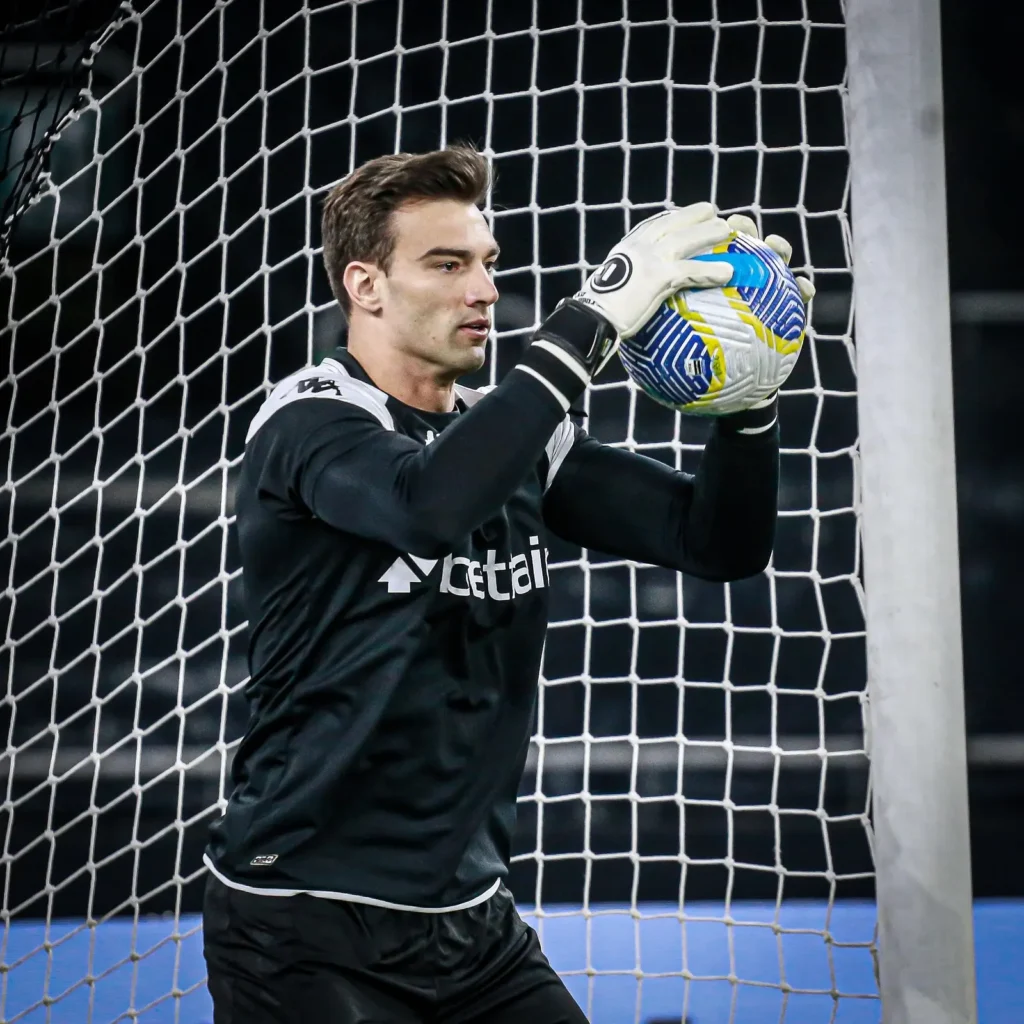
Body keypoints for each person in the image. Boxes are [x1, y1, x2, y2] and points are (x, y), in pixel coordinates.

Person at [201, 145, 813, 1023]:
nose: (484, 290)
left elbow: (715, 543)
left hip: (475, 930)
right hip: (303, 925)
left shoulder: (517, 445)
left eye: (486, 263)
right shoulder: (309, 421)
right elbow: (428, 505)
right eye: (447, 265)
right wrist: (590, 316)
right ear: (366, 286)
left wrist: (747, 400)